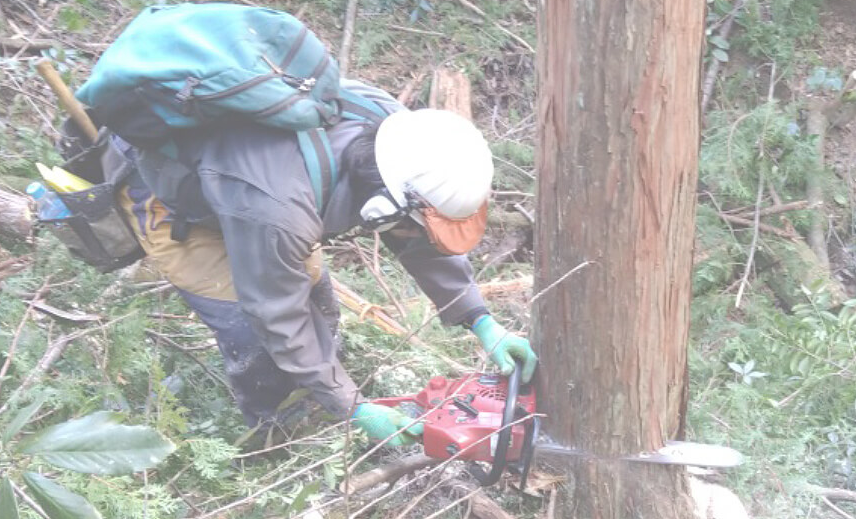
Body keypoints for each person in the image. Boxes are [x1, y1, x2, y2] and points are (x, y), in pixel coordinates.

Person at [101, 78, 537, 447]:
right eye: (406, 223)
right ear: (381, 209)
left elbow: (418, 236)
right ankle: (276, 435)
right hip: (172, 197)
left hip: (253, 190)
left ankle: (319, 393)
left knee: (318, 304)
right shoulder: (279, 211)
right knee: (254, 334)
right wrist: (354, 407)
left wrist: (479, 318)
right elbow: (276, 314)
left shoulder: (397, 137)